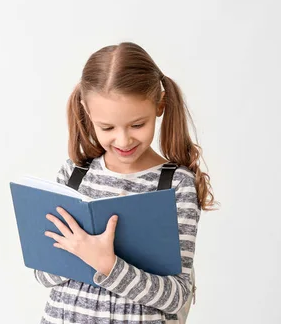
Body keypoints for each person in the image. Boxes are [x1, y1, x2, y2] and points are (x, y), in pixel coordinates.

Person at [34, 42, 217, 324]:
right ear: (86, 110)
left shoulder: (175, 185)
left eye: (137, 125)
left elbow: (177, 296)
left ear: (160, 106)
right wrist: (83, 251)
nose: (123, 140)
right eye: (107, 128)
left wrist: (108, 264)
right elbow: (43, 274)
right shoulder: (74, 174)